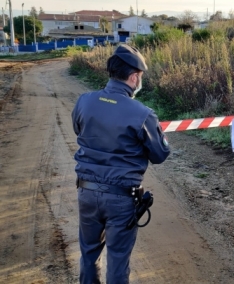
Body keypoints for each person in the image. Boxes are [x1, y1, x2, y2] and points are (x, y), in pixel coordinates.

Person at [72, 44, 170, 284]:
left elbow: (78, 129)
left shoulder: (84, 101)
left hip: (86, 192)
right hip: (121, 198)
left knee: (88, 252)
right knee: (117, 258)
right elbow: (159, 154)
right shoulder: (143, 113)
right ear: (134, 76)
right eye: (140, 78)